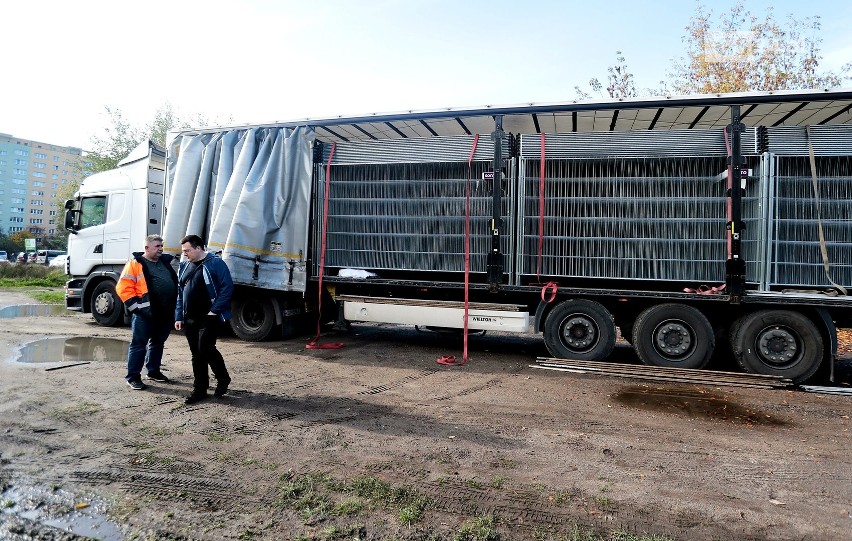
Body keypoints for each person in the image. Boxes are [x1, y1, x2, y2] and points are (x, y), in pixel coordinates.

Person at [175, 234, 234, 404]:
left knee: (206, 348)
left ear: (198, 248)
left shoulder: (215, 263)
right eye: (183, 251)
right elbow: (180, 293)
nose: (185, 254)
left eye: (187, 250)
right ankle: (200, 389)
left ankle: (223, 378)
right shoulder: (185, 266)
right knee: (196, 354)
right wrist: (179, 316)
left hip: (209, 317)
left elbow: (227, 288)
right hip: (190, 317)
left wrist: (214, 311)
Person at [116, 234, 178, 390]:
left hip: (165, 313)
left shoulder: (164, 262)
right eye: (157, 246)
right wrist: (136, 308)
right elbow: (123, 288)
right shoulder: (136, 264)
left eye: (161, 246)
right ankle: (133, 377)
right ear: (147, 247)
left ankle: (153, 371)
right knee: (139, 345)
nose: (161, 249)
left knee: (158, 343)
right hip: (145, 314)